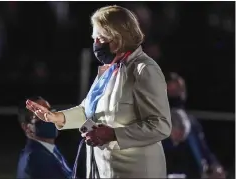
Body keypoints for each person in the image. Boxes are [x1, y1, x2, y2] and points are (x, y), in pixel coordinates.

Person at [26, 5, 171, 178]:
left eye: (100, 39)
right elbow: (89, 111)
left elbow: (161, 125)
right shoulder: (110, 69)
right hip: (103, 170)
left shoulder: (143, 69)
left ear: (118, 37)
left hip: (136, 171)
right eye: (94, 38)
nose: (95, 45)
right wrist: (55, 117)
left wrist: (114, 134)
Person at [162, 72, 226, 179]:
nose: (178, 91)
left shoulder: (191, 121)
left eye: (179, 87)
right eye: (172, 88)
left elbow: (203, 148)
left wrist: (215, 165)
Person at [17, 96, 72, 179]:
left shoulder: (49, 150)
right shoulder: (36, 157)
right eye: (40, 114)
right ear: (26, 127)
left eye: (49, 111)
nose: (48, 117)